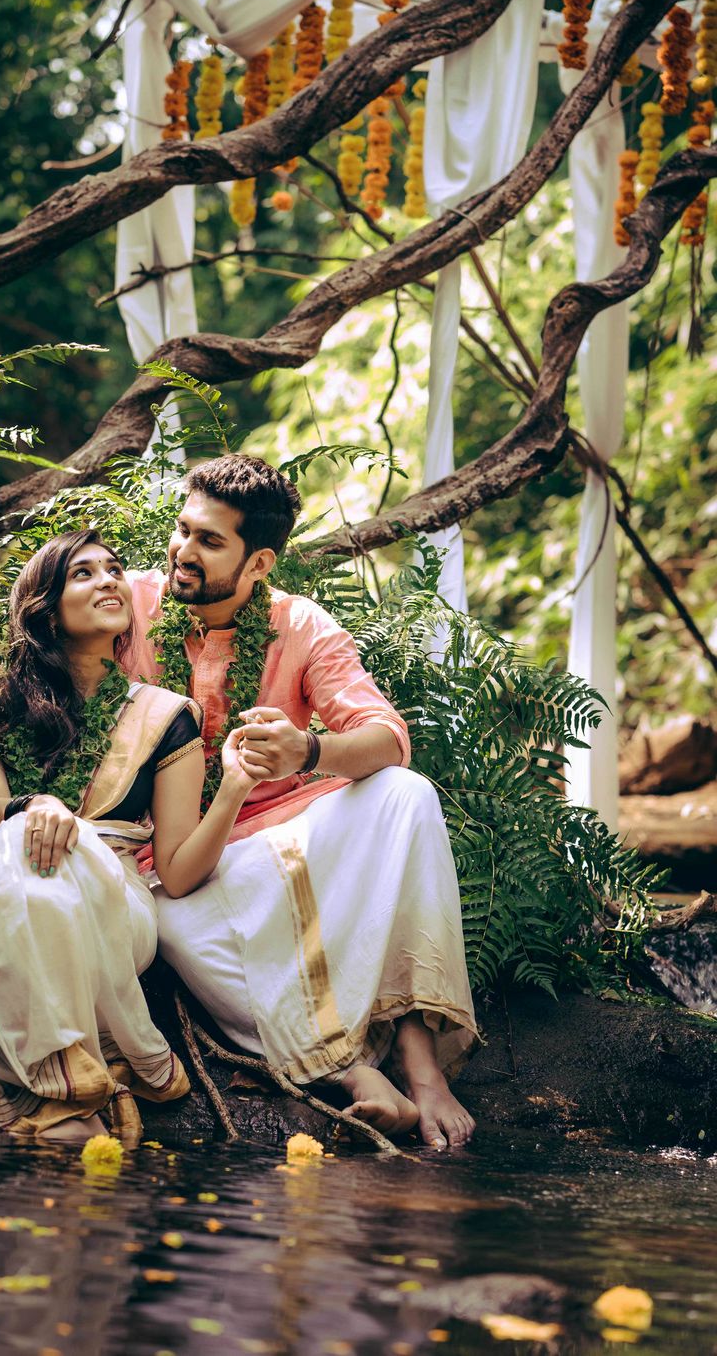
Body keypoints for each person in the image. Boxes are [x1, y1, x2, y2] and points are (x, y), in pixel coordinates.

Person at [118, 454, 479, 1149]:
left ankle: (419, 1057)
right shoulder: (133, 606)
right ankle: (343, 1069)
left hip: (285, 828)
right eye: (182, 529)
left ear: (258, 565)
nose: (183, 552)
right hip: (169, 857)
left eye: (209, 541)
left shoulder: (301, 626)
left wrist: (307, 752)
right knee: (173, 932)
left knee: (407, 796)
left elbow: (387, 738)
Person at [0, 529, 263, 1143]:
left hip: (111, 901)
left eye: (114, 569)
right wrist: (38, 807)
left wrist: (233, 788)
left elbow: (179, 872)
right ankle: (66, 1094)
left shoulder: (166, 714)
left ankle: (57, 1095)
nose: (109, 580)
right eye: (84, 573)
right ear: (46, 609)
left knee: (57, 879)